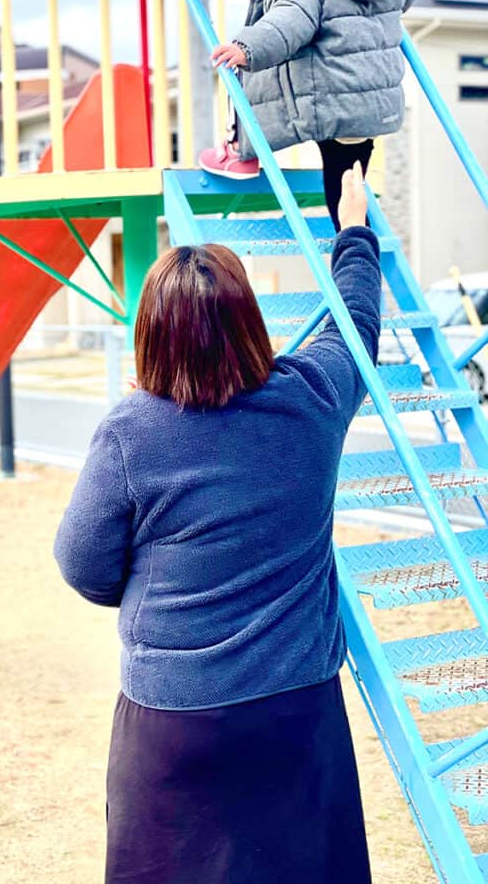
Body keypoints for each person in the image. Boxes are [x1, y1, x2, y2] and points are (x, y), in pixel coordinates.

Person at [54, 164, 379, 883]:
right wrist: (352, 230)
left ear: (152, 333)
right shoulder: (312, 397)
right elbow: (353, 321)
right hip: (295, 708)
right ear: (248, 322)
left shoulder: (131, 431)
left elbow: (81, 563)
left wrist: (149, 587)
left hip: (175, 719)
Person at [198, 0, 418, 230]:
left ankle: (242, 149)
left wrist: (247, 47)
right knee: (350, 185)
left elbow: (289, 22)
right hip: (375, 105)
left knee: (342, 201)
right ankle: (359, 243)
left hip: (337, 104)